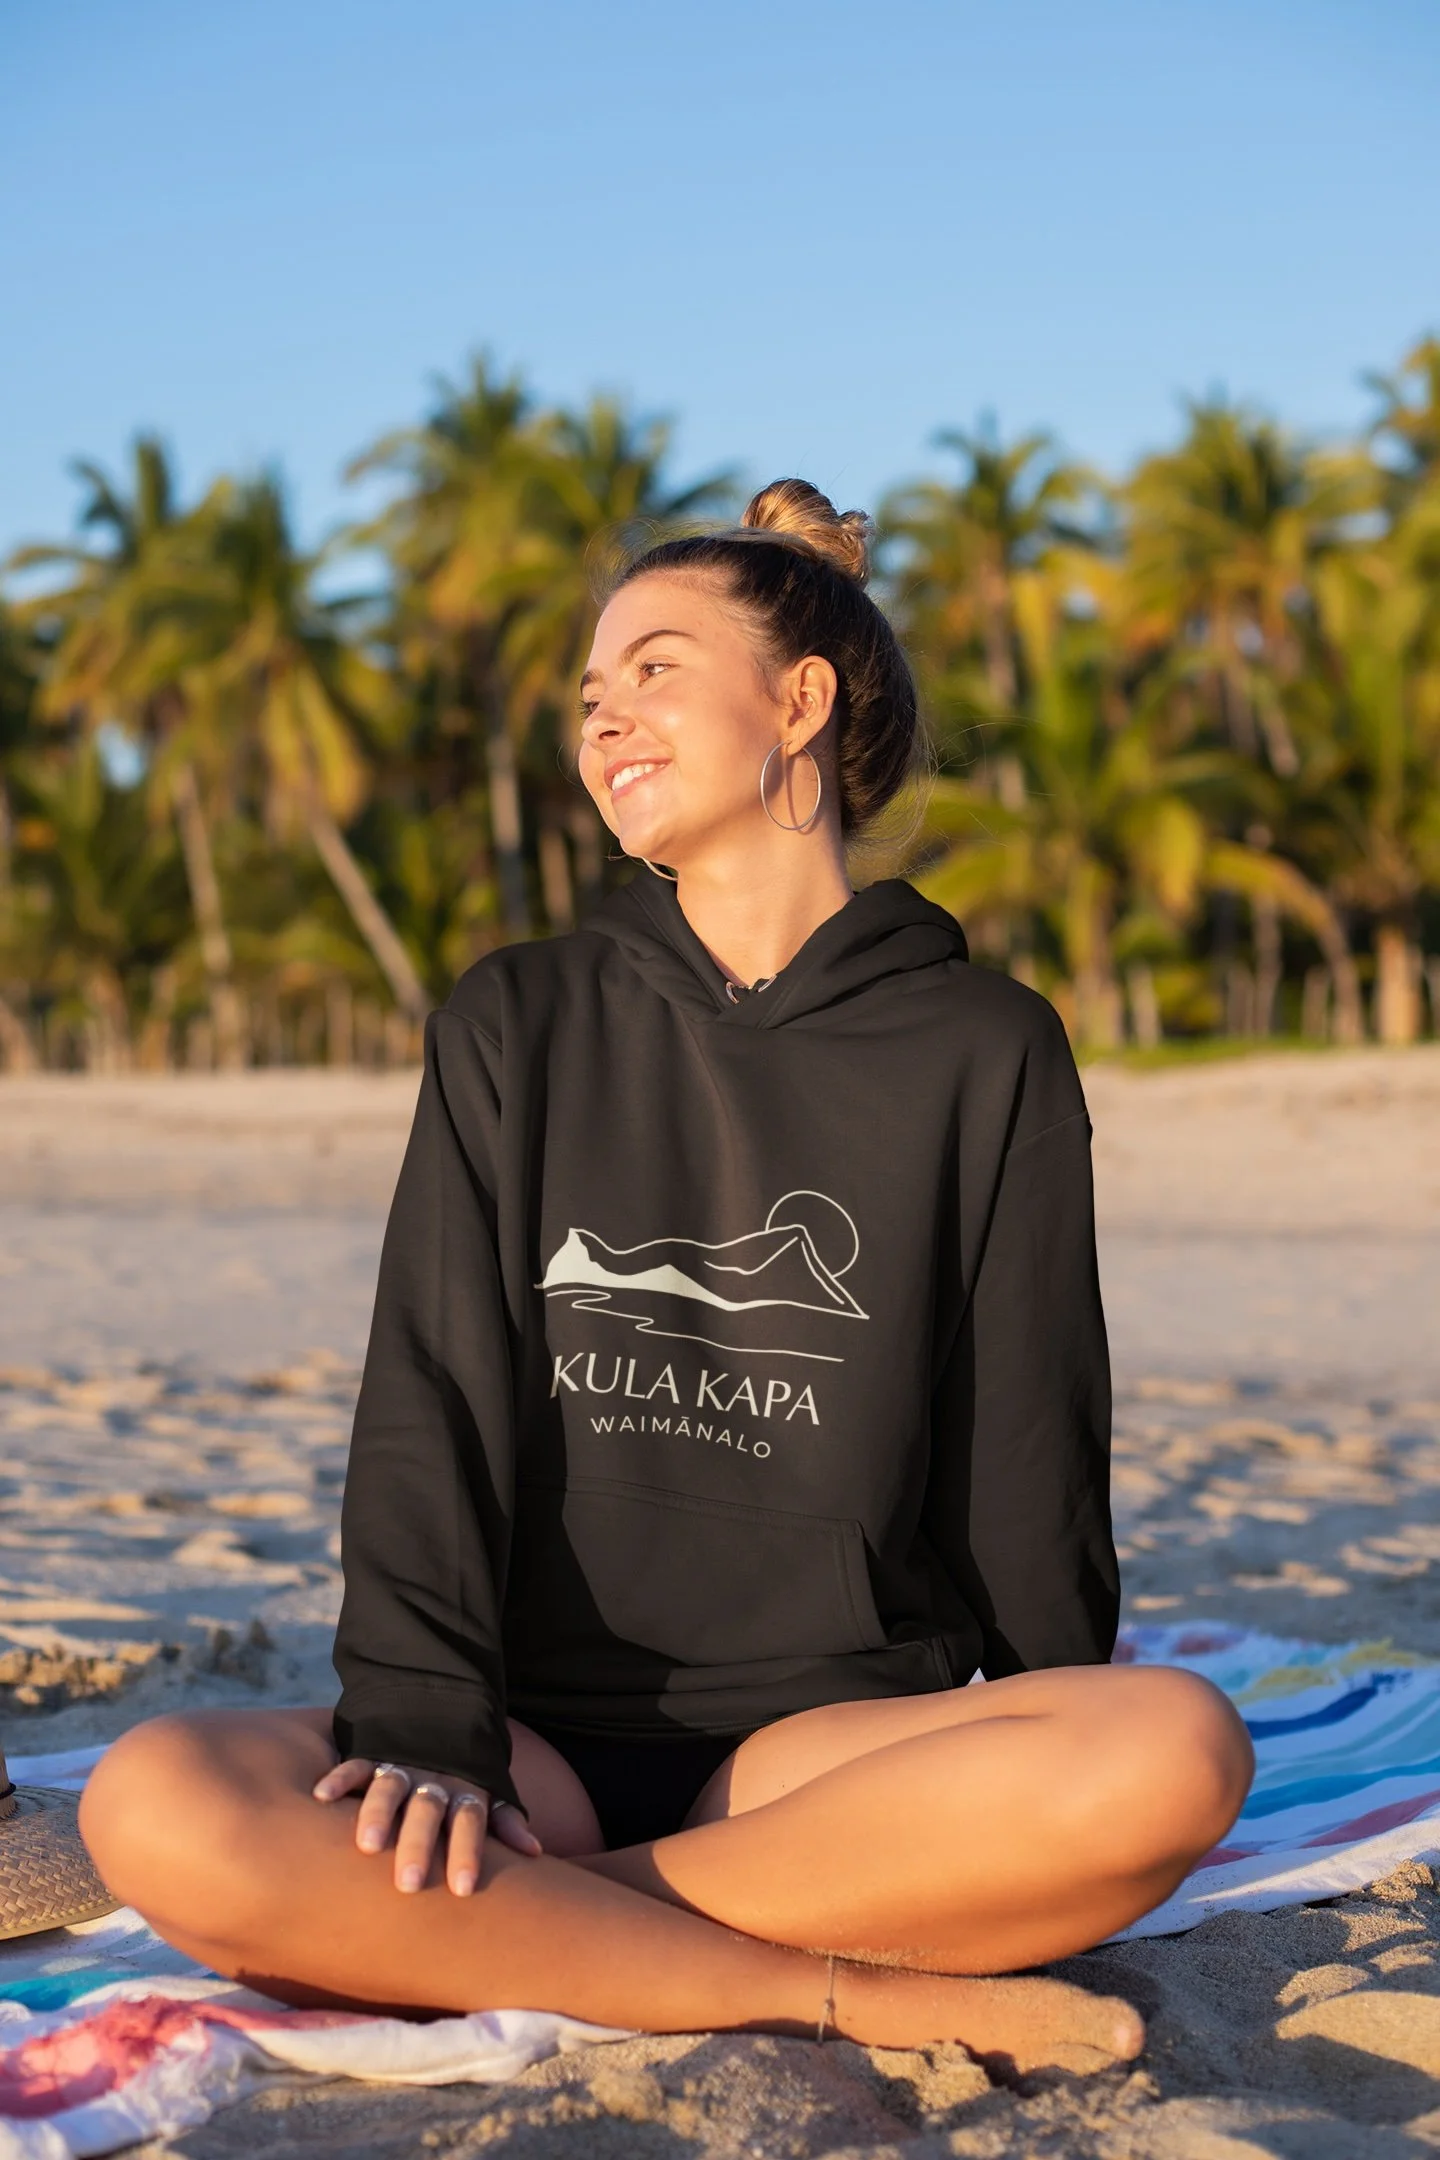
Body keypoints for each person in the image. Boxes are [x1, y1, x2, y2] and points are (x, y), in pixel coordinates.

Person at [82, 480, 1253, 2072]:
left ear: (801, 701)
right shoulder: (518, 1021)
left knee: (1174, 1751)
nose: (603, 720)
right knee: (155, 1801)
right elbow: (434, 1390)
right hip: (527, 1743)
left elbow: (1028, 1438)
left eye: (652, 670)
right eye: (587, 693)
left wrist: (1028, 1746)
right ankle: (839, 1991)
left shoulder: (986, 1050)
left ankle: (539, 1928)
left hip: (816, 1759)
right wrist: (427, 1728)